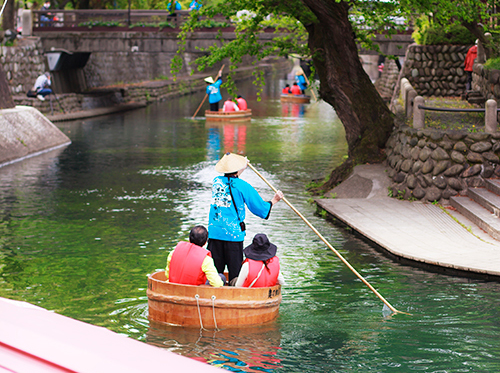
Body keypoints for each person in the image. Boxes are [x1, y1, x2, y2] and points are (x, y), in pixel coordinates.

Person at [207, 152, 284, 282]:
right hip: (233, 235)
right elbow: (259, 208)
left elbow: (232, 179)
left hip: (215, 233)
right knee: (235, 274)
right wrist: (274, 200)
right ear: (237, 170)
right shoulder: (243, 186)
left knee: (214, 273)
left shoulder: (216, 182)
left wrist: (242, 167)